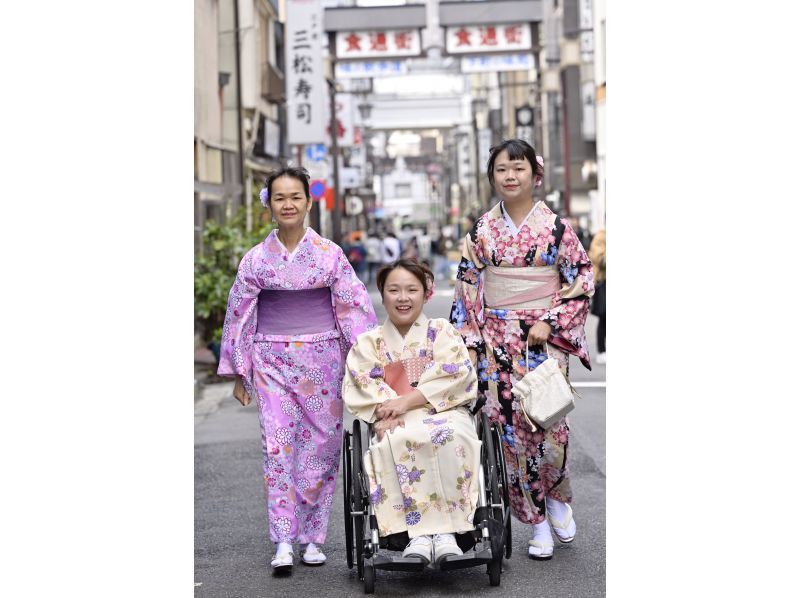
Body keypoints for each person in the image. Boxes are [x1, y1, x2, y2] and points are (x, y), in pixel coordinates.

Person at [217, 166, 378, 574]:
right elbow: (239, 315)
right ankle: (284, 539)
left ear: (309, 202)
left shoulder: (330, 254)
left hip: (323, 359)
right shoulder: (256, 260)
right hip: (270, 359)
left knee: (320, 449)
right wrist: (240, 371)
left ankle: (313, 537)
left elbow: (353, 308)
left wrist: (366, 360)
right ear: (268, 204)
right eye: (279, 198)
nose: (288, 204)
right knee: (277, 446)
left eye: (295, 197)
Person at [450, 139, 594, 561]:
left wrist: (551, 320)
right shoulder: (481, 230)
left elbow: (582, 278)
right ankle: (535, 523)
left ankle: (556, 497)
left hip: (543, 339)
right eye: (501, 169)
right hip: (496, 338)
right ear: (492, 176)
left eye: (518, 168)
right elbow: (466, 286)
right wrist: (472, 343)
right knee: (507, 430)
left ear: (536, 174)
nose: (509, 176)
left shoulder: (556, 228)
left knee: (550, 425)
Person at [342, 259, 481, 565]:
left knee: (453, 435)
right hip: (394, 418)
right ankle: (414, 536)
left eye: (411, 290)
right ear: (382, 294)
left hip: (442, 411)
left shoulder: (442, 332)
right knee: (397, 437)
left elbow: (457, 373)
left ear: (425, 294)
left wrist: (408, 401)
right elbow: (362, 381)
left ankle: (449, 534)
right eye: (394, 290)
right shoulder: (370, 343)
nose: (402, 297)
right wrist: (386, 409)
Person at [588, 229, 606, 364]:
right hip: (604, 281)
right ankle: (601, 351)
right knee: (604, 317)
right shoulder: (601, 236)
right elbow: (598, 259)